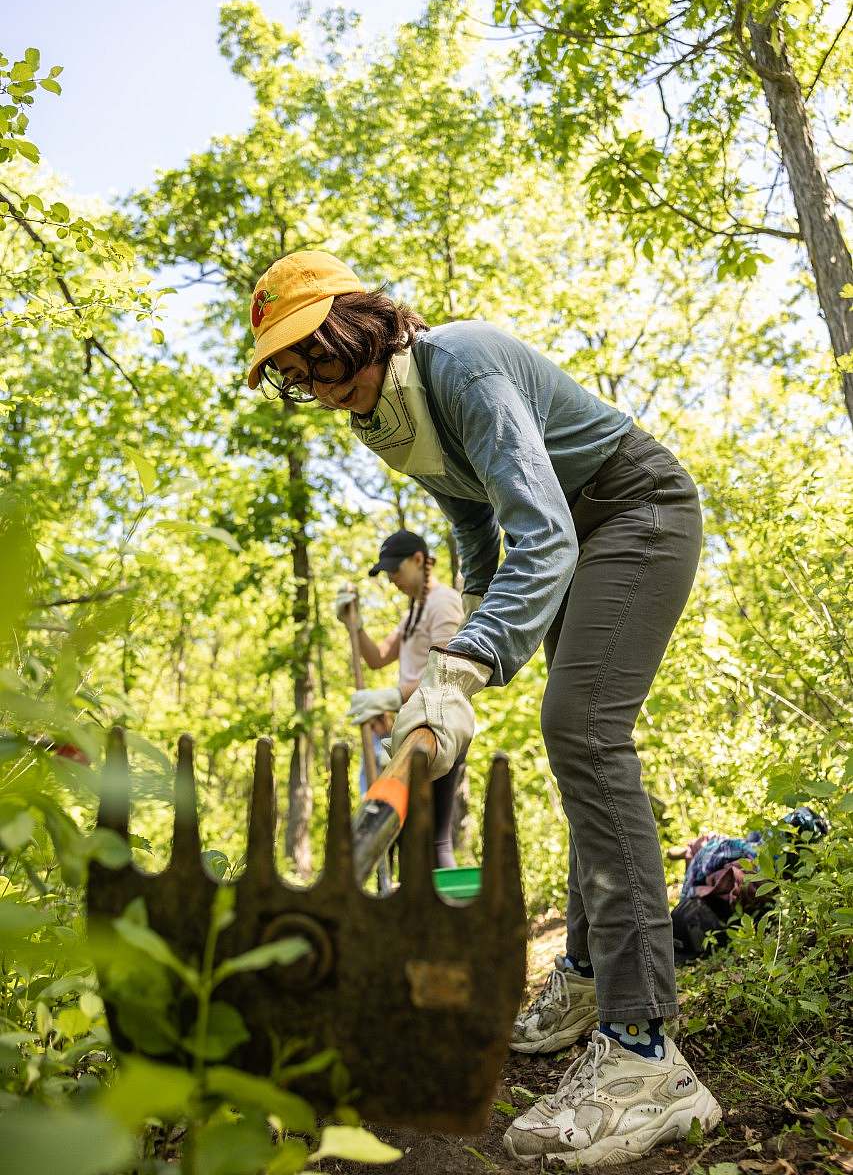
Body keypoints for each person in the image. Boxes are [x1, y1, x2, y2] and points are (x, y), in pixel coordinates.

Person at [247, 250, 722, 1166]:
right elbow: (476, 532)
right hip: (576, 531)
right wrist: (447, 673)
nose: (314, 384)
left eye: (315, 357)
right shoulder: (383, 419)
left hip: (634, 510)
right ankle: (586, 975)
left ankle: (643, 1052)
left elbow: (537, 529)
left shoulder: (457, 363)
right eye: (296, 379)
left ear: (356, 324)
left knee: (580, 729)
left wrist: (463, 665)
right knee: (573, 735)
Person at [333, 528, 465, 869]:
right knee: (408, 836)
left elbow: (445, 674)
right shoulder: (413, 614)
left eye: (396, 570)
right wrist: (355, 625)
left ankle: (445, 917)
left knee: (432, 837)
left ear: (419, 561)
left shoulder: (444, 601)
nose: (392, 579)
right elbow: (377, 657)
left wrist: (391, 696)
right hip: (412, 732)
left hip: (437, 731)